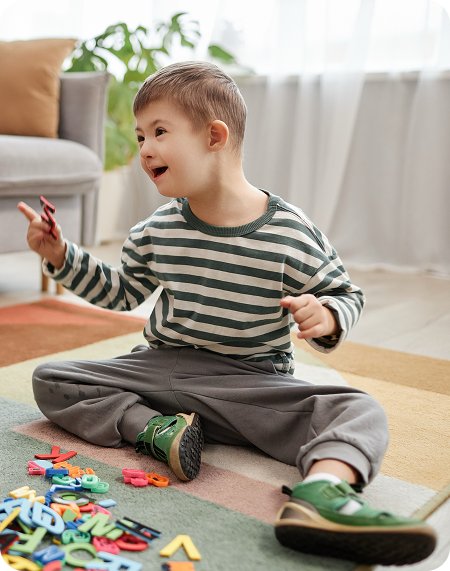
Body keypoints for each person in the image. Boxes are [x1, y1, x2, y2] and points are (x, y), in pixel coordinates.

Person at [18, 61, 436, 566]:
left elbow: (345, 293)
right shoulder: (156, 229)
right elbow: (121, 292)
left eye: (159, 132)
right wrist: (62, 256)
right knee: (53, 377)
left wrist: (324, 315)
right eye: (140, 134)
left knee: (360, 410)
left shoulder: (289, 232)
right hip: (162, 369)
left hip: (249, 383)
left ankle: (322, 494)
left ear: (214, 136)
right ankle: (155, 429)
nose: (144, 148)